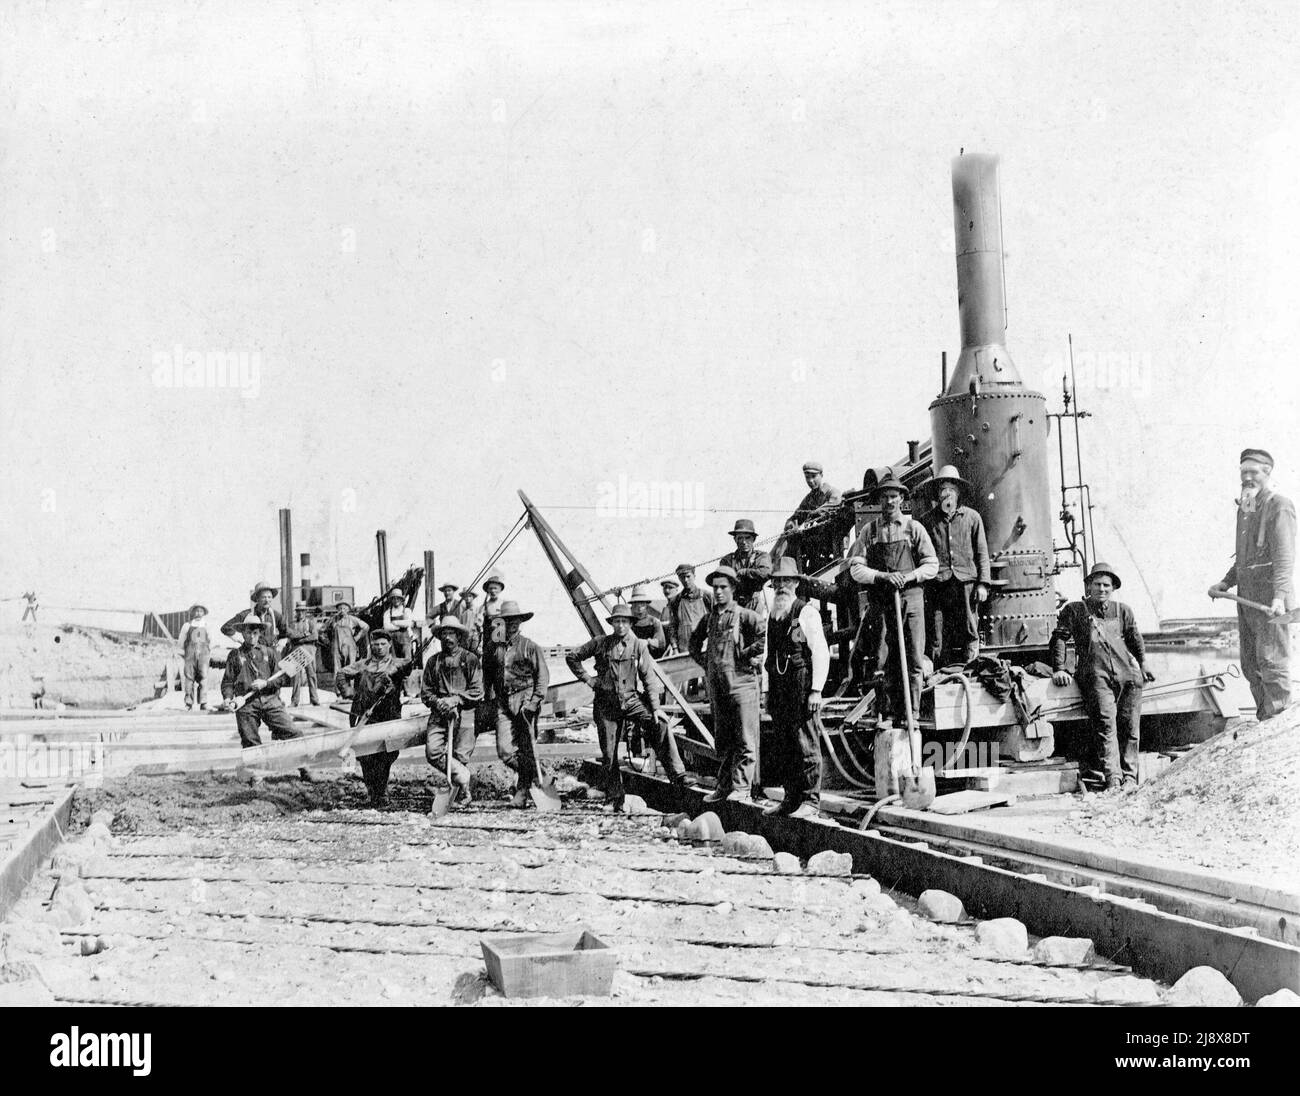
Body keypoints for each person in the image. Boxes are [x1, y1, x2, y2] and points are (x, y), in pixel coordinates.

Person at [567, 603, 685, 810]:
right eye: (617, 621)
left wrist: (656, 707)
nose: (621, 625)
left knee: (660, 725)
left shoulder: (639, 645)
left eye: (624, 621)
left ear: (630, 623)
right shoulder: (601, 643)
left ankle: (678, 776)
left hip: (631, 700)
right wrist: (588, 679)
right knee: (609, 751)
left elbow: (648, 677)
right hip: (606, 703)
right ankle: (614, 796)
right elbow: (572, 657)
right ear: (612, 624)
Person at [1208, 448, 1296, 720]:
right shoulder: (1245, 509)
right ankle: (1265, 717)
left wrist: (1279, 598)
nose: (1247, 477)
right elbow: (1244, 559)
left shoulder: (1280, 505)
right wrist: (1225, 582)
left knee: (1271, 661)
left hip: (1270, 600)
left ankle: (1280, 719)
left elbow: (1285, 558)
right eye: (1243, 472)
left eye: (1253, 472)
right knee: (1250, 664)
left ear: (1267, 473)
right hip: (1247, 600)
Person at [1051, 562, 1155, 791]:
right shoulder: (1075, 610)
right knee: (1106, 725)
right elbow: (1059, 637)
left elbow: (1134, 638)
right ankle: (1113, 780)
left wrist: (1144, 664)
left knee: (1130, 728)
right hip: (1095, 675)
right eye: (1097, 584)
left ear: (1113, 588)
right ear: (1088, 586)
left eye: (1106, 585)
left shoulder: (1123, 611)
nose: (1102, 589)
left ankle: (1129, 778)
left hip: (1128, 676)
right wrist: (1059, 668)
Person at [847, 473, 939, 725]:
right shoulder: (869, 531)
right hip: (882, 603)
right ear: (879, 500)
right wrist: (882, 577)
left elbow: (932, 565)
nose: (889, 501)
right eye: (885, 497)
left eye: (894, 496)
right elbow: (856, 570)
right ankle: (886, 713)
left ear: (901, 499)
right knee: (882, 658)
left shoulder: (914, 528)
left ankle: (912, 714)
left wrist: (907, 577)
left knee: (913, 658)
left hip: (911, 600)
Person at [688, 565, 766, 804]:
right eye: (715, 588)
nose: (718, 592)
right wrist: (708, 666)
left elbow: (764, 637)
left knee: (745, 739)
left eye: (723, 587)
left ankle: (741, 789)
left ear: (733, 589)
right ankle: (723, 787)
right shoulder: (709, 619)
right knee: (723, 740)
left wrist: (746, 654)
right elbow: (693, 645)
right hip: (718, 688)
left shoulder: (745, 615)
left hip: (742, 686)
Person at [763, 558, 830, 818]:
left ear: (796, 583)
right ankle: (790, 799)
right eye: (777, 581)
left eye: (786, 581)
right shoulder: (772, 614)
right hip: (779, 686)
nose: (781, 586)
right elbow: (769, 656)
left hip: (801, 685)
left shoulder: (805, 612)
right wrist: (767, 692)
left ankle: (811, 801)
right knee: (785, 743)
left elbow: (820, 652)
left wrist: (816, 689)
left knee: (806, 741)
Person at [920, 465, 991, 667]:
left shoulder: (972, 517)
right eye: (943, 488)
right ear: (938, 493)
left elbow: (982, 552)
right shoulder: (927, 520)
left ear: (958, 493)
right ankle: (938, 671)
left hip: (966, 582)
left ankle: (972, 664)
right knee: (937, 630)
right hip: (937, 584)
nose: (947, 493)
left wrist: (983, 584)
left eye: (952, 488)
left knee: (970, 627)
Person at [339, 628, 415, 805]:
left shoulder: (397, 663)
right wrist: (349, 692)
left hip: (388, 715)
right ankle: (372, 791)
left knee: (386, 754)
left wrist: (397, 671)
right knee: (365, 754)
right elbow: (341, 674)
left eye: (383, 644)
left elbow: (409, 666)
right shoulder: (363, 664)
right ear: (370, 646)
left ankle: (380, 791)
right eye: (375, 644)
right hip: (364, 714)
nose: (379, 648)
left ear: (389, 645)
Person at [420, 615, 484, 809]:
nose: (447, 637)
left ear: (458, 636)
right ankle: (464, 778)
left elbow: (477, 690)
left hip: (465, 712)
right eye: (444, 633)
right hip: (440, 713)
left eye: (451, 633)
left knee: (460, 755)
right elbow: (426, 692)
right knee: (433, 751)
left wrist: (456, 700)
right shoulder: (433, 661)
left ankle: (461, 794)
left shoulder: (470, 659)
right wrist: (439, 703)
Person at [492, 602, 551, 808]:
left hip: (525, 701)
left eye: (515, 621)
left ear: (521, 622)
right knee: (505, 750)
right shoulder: (497, 647)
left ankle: (522, 791)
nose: (512, 625)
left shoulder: (530, 646)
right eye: (508, 621)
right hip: (503, 702)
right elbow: (492, 673)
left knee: (526, 747)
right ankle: (538, 774)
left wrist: (534, 702)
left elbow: (543, 677)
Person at [220, 616, 302, 748]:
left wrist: (266, 684)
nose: (252, 636)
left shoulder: (270, 653)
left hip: (270, 701)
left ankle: (299, 764)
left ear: (259, 633)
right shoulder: (235, 655)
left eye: (255, 633)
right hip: (246, 705)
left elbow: (283, 678)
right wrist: (227, 698)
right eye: (248, 633)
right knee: (249, 741)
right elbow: (228, 682)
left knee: (294, 733)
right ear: (242, 633)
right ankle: (255, 767)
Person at [781, 462, 844, 573]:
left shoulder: (831, 492)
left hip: (829, 537)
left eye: (814, 477)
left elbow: (833, 505)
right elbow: (797, 515)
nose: (810, 481)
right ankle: (786, 571)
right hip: (814, 539)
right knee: (789, 539)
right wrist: (790, 524)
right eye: (807, 477)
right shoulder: (809, 498)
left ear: (821, 475)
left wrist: (814, 513)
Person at [720, 519, 773, 613]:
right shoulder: (727, 560)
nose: (744, 542)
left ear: (753, 539)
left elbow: (765, 573)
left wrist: (744, 572)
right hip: (734, 604)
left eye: (747, 538)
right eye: (740, 538)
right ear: (735, 539)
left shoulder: (761, 556)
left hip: (754, 604)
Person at [221, 582, 287, 649]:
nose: (267, 600)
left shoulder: (275, 615)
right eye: (263, 597)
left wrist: (281, 644)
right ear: (257, 599)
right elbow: (226, 628)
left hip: (271, 653)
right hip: (253, 652)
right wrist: (241, 640)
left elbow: (286, 632)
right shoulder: (246, 614)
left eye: (269, 597)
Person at [666, 563, 712, 659]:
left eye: (688, 576)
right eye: (682, 577)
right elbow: (673, 625)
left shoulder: (707, 596)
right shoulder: (676, 600)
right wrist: (674, 648)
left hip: (705, 646)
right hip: (684, 647)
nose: (686, 580)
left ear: (694, 576)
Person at [328, 602, 369, 699]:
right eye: (340, 608)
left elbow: (366, 627)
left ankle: (350, 693)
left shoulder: (352, 619)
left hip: (350, 647)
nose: (342, 610)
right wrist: (329, 642)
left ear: (348, 610)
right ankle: (339, 693)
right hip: (336, 646)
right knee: (337, 669)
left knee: (351, 668)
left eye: (344, 608)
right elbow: (323, 630)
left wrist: (357, 637)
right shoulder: (333, 620)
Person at [176, 603, 212, 710]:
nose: (198, 613)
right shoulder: (187, 626)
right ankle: (188, 703)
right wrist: (184, 654)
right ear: (192, 613)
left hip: (203, 657)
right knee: (189, 679)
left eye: (201, 611)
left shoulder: (206, 625)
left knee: (204, 678)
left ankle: (204, 703)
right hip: (190, 657)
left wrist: (206, 654)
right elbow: (181, 642)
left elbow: (210, 641)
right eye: (196, 611)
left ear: (204, 613)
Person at [287, 608, 323, 706]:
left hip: (309, 650)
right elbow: (291, 635)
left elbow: (314, 636)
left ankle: (314, 699)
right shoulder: (292, 624)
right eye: (298, 611)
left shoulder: (310, 623)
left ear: (305, 612)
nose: (300, 613)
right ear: (296, 612)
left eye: (302, 611)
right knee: (295, 677)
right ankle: (294, 701)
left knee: (311, 675)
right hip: (297, 650)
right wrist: (304, 635)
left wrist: (299, 639)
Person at [629, 585, 668, 656]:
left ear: (646, 605)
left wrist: (648, 642)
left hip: (654, 658)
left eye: (642, 604)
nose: (639, 607)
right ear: (632, 606)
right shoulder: (629, 624)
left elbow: (661, 644)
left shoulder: (654, 622)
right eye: (636, 604)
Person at [382, 589, 417, 660]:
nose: (396, 600)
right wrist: (400, 626)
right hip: (392, 640)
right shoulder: (388, 612)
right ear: (391, 600)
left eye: (398, 598)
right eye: (394, 598)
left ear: (401, 600)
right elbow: (386, 627)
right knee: (393, 661)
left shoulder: (407, 611)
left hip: (405, 639)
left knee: (406, 660)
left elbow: (407, 623)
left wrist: (395, 623)